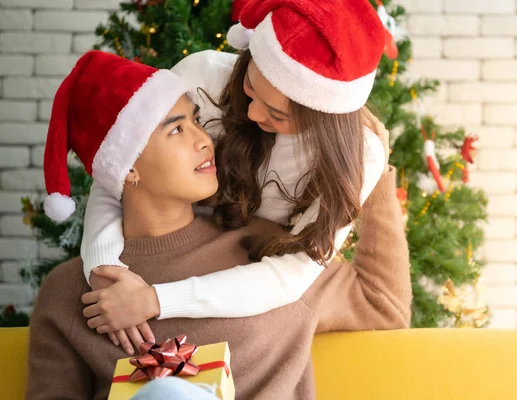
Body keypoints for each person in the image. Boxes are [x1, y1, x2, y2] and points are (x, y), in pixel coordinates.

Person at [27, 50, 411, 400]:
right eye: (177, 129)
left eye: (197, 121)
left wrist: (364, 169)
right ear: (127, 168)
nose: (205, 140)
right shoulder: (73, 292)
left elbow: (383, 304)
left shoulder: (265, 252)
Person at [74, 0, 393, 354]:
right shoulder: (203, 76)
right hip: (177, 251)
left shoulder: (358, 158)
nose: (253, 112)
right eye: (250, 88)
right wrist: (102, 263)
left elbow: (291, 275)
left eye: (276, 114)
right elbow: (118, 163)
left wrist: (156, 300)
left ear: (322, 119)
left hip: (254, 290)